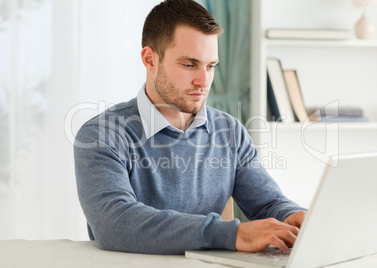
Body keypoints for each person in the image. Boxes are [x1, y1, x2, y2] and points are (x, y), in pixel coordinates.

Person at [74, 0, 306, 255]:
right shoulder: (101, 135)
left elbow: (268, 203)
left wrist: (293, 216)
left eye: (211, 66)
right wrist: (232, 233)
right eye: (189, 64)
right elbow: (115, 223)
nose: (203, 81)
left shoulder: (229, 131)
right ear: (150, 59)